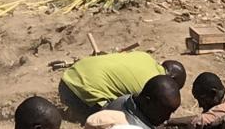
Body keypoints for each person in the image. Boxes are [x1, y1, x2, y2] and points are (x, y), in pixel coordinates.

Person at [57, 50, 185, 120]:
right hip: (75, 93)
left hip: (69, 76)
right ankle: (80, 112)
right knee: (121, 119)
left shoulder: (145, 57)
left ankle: (75, 112)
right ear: (171, 78)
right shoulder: (151, 85)